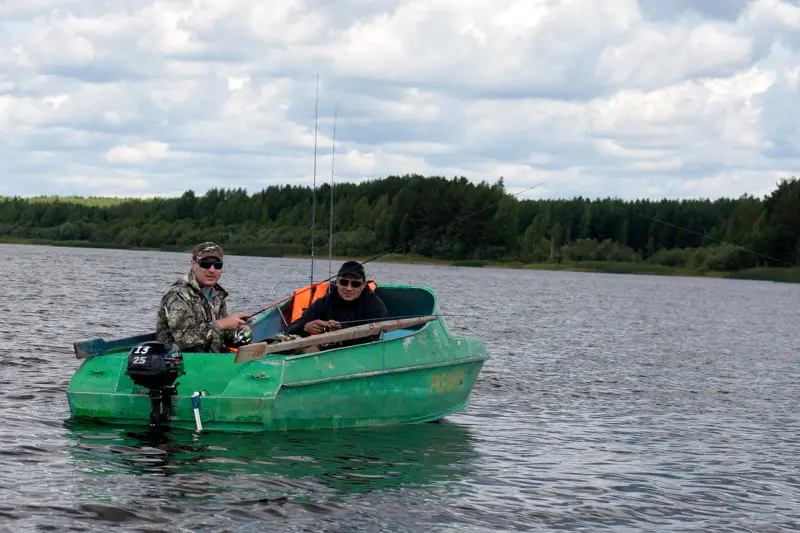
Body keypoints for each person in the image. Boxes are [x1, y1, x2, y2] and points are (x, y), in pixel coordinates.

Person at [155, 241, 251, 353]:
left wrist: (241, 332)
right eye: (205, 264)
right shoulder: (178, 295)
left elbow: (221, 336)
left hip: (211, 360)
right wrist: (222, 324)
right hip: (181, 363)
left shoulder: (217, 295)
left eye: (217, 265)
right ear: (193, 263)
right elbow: (185, 339)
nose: (212, 270)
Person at [286, 260, 389, 348]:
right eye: (344, 282)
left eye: (355, 284)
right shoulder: (324, 302)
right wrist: (305, 327)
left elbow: (375, 335)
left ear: (363, 285)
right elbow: (290, 330)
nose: (348, 288)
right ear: (337, 282)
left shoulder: (375, 305)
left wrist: (342, 329)